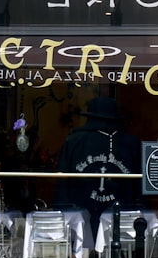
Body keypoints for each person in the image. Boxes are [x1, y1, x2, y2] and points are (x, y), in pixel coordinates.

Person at [56, 96, 142, 231]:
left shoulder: (74, 141)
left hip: (83, 209)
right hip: (117, 210)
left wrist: (62, 207)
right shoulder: (130, 144)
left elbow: (61, 179)